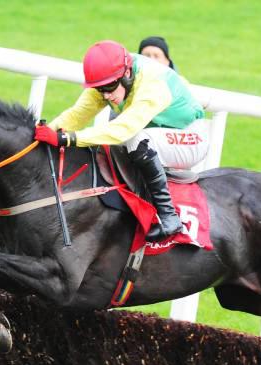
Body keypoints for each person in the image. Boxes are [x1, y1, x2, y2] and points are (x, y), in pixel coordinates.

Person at [34, 40, 208, 241]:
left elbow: (123, 129)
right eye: (100, 90)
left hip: (191, 137)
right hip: (158, 132)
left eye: (109, 88)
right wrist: (46, 131)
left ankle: (168, 216)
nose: (106, 95)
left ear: (126, 74)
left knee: (137, 140)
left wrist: (67, 138)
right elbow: (77, 115)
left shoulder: (152, 84)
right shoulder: (108, 78)